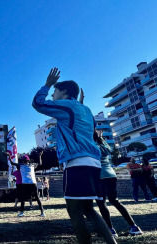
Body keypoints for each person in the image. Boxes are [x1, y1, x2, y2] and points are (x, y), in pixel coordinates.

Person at [32, 68, 116, 244]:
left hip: (78, 163)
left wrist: (46, 85)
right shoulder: (85, 109)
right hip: (93, 162)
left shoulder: (67, 105)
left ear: (64, 92)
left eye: (56, 91)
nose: (53, 94)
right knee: (89, 209)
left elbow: (38, 104)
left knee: (74, 209)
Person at [92, 131, 143, 237]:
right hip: (111, 174)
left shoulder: (91, 145)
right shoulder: (104, 144)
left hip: (99, 175)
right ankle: (134, 227)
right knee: (115, 201)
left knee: (101, 203)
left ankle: (110, 230)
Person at [7, 153, 45, 217]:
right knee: (37, 197)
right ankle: (42, 212)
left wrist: (9, 156)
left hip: (25, 183)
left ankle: (22, 212)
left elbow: (12, 163)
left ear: (23, 160)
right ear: (28, 160)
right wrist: (40, 156)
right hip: (33, 183)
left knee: (23, 198)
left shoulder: (20, 165)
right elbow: (40, 163)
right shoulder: (32, 165)